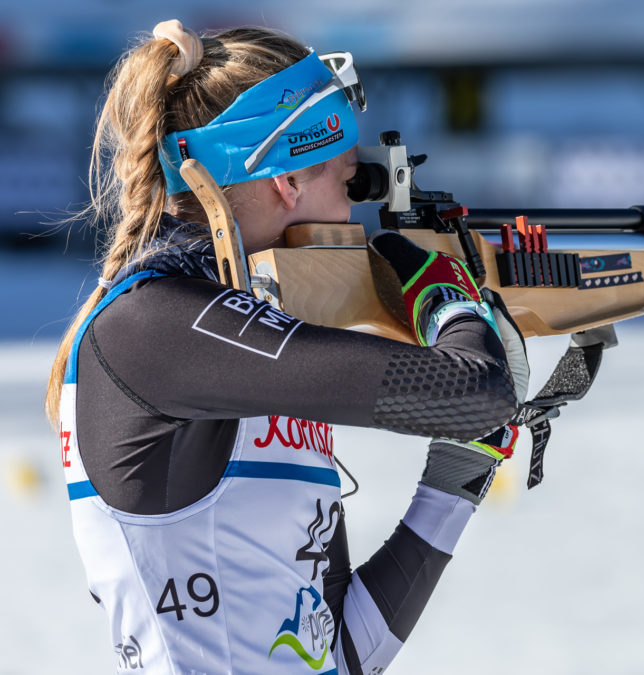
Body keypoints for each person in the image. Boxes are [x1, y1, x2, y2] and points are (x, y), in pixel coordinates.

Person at [44, 19, 529, 674]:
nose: (357, 209)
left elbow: (339, 652)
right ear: (287, 181)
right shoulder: (153, 326)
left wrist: (459, 470)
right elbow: (471, 388)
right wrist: (448, 296)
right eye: (350, 181)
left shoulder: (217, 335)